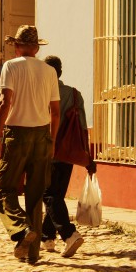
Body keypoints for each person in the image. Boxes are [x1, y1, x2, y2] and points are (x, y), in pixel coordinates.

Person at [0, 25, 60, 263]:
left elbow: (5, 103)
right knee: (35, 194)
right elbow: (56, 112)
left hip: (17, 134)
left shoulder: (10, 66)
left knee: (4, 189)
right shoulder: (49, 71)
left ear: (17, 46)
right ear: (37, 48)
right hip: (42, 136)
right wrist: (52, 141)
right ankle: (32, 253)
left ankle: (21, 229)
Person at [42, 55, 96, 258]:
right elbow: (82, 128)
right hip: (68, 153)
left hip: (48, 151)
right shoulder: (75, 94)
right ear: (61, 72)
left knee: (49, 195)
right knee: (56, 195)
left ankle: (69, 234)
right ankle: (47, 236)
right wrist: (87, 157)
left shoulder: (42, 93)